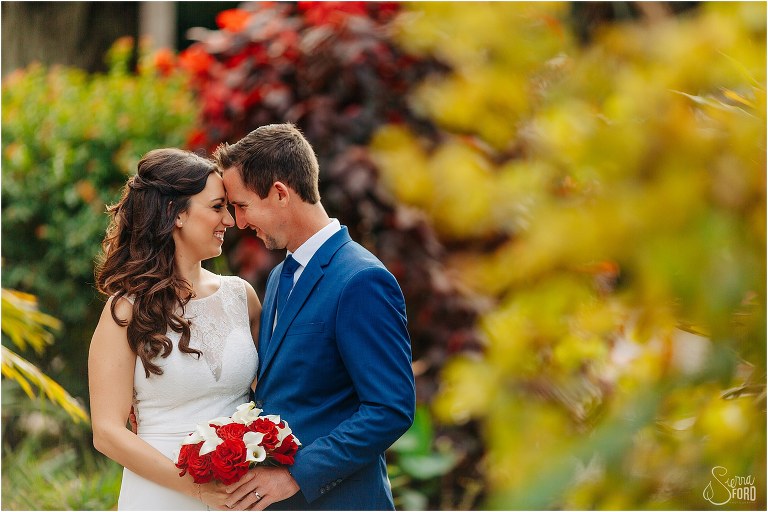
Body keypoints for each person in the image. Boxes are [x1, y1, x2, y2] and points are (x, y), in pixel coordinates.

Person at [213, 123, 416, 511]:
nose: (238, 222)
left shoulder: (362, 280)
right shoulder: (278, 277)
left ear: (280, 194)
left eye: (241, 206)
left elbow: (390, 408)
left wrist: (296, 474)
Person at [89, 148, 262, 510]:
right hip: (161, 494)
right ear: (175, 214)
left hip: (240, 494)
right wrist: (196, 490)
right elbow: (107, 433)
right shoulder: (126, 310)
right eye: (217, 207)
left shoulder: (241, 296)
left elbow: (271, 397)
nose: (229, 220)